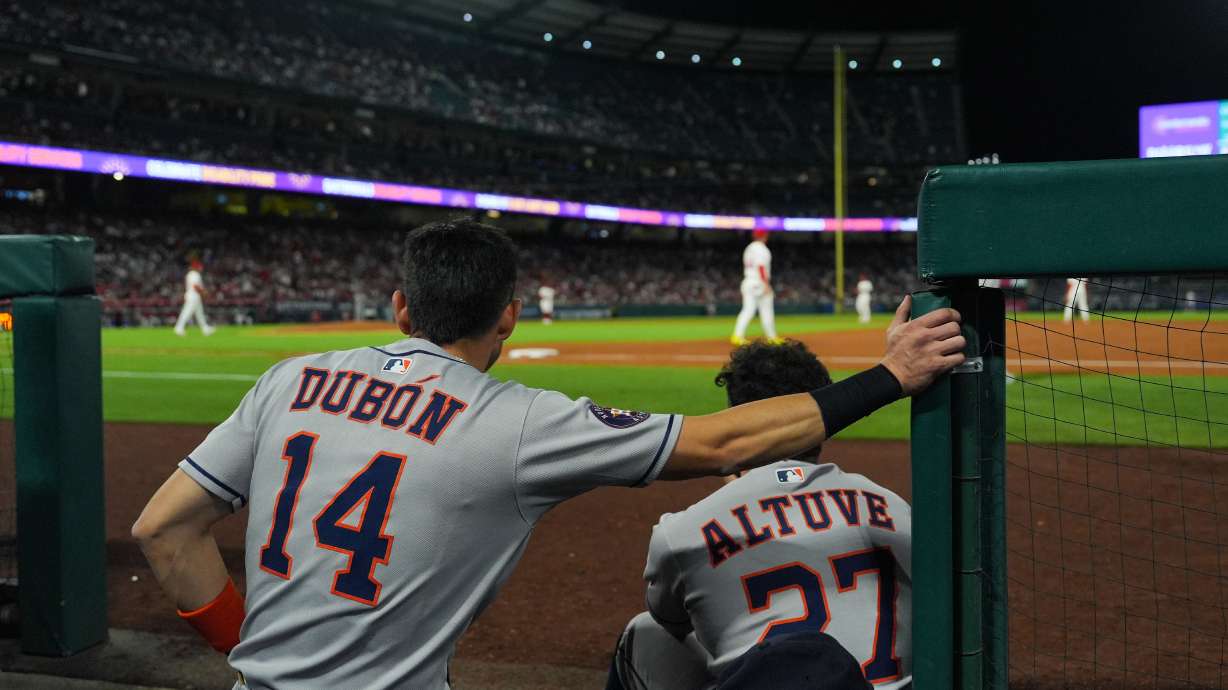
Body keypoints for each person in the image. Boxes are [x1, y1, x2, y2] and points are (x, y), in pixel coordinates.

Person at [132, 219, 962, 690]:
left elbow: (164, 532)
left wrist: (252, 653)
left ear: (397, 305)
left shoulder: (289, 381)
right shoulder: (518, 419)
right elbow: (726, 440)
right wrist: (891, 375)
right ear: (510, 319)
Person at [608, 340, 912, 690]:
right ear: (829, 413)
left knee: (644, 633)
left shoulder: (681, 532)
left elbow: (670, 621)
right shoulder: (885, 502)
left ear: (739, 417)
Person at [731, 229, 777, 346]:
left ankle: (737, 336)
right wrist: (766, 284)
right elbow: (761, 267)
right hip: (758, 282)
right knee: (766, 310)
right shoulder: (761, 249)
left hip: (748, 281)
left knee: (747, 310)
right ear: (765, 236)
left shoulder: (749, 248)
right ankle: (771, 337)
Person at [174, 258, 215, 336]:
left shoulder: (191, 274)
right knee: (187, 312)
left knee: (199, 313)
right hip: (193, 296)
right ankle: (179, 327)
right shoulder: (194, 274)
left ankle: (205, 328)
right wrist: (204, 292)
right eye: (199, 266)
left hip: (193, 295)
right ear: (195, 267)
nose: (200, 268)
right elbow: (195, 286)